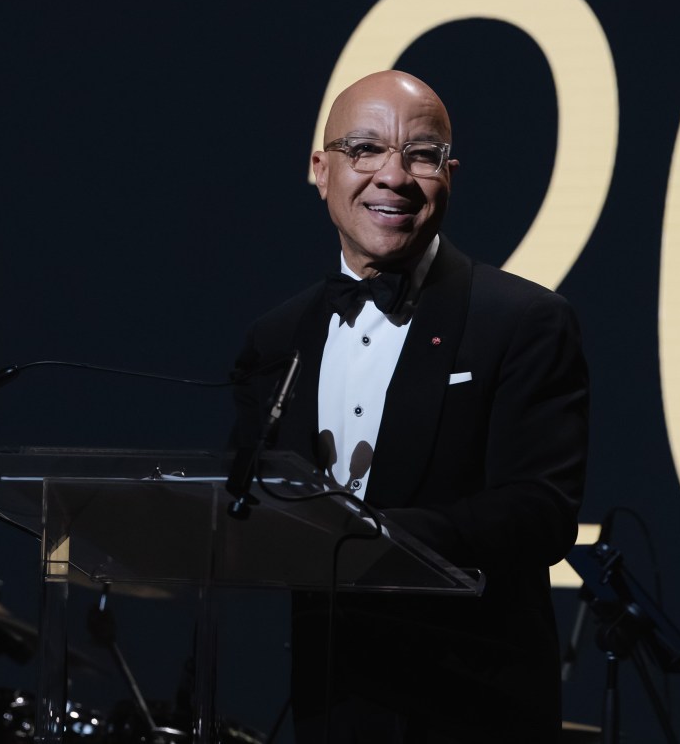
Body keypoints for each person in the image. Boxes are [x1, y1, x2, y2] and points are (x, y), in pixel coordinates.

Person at [230, 70, 589, 743]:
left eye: (421, 155)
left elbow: (541, 510)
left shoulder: (521, 320)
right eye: (364, 150)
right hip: (333, 709)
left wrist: (372, 542)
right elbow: (248, 501)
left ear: (449, 174)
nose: (393, 176)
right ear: (320, 169)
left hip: (475, 710)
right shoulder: (277, 338)